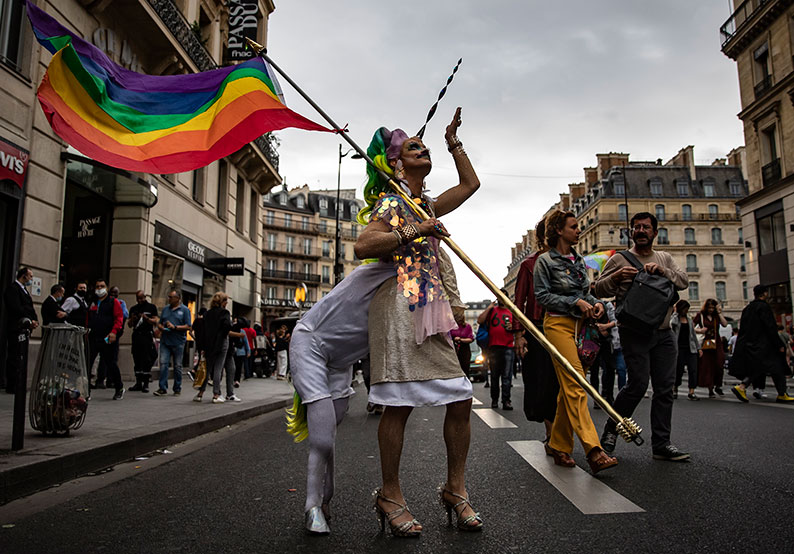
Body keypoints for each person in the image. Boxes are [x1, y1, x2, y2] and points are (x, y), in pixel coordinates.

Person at [354, 109, 483, 536]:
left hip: (428, 303)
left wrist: (453, 142)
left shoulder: (422, 202)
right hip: (397, 307)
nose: (422, 149)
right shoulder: (393, 202)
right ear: (396, 163)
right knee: (398, 402)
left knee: (460, 395)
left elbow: (470, 185)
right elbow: (364, 245)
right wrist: (412, 230)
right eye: (414, 147)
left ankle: (455, 488)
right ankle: (390, 493)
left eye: (426, 147)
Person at [595, 212, 690, 462]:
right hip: (634, 332)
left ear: (655, 232)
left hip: (663, 332)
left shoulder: (665, 258)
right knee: (637, 385)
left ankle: (661, 444)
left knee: (664, 389)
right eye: (636, 227)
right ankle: (611, 429)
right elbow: (597, 288)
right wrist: (615, 277)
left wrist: (663, 271)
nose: (641, 230)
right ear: (631, 232)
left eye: (646, 227)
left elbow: (683, 282)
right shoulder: (619, 259)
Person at [533, 210, 617, 474]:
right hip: (556, 324)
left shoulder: (579, 260)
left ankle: (558, 444)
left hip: (581, 326)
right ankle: (593, 449)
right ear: (559, 230)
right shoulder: (544, 261)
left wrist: (597, 305)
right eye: (574, 226)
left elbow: (586, 294)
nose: (579, 230)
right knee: (578, 382)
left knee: (567, 389)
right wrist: (574, 302)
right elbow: (542, 296)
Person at [514, 219, 559, 448]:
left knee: (564, 384)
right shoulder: (529, 265)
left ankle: (562, 435)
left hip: (565, 326)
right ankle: (552, 435)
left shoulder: (570, 263)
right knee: (544, 382)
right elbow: (518, 302)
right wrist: (519, 334)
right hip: (538, 328)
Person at [730, 285, 794, 403]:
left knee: (765, 368)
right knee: (774, 367)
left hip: (751, 344)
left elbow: (743, 328)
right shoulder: (764, 307)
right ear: (764, 293)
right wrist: (778, 343)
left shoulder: (748, 308)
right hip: (765, 345)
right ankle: (743, 386)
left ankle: (781, 393)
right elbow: (770, 327)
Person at [194, 292, 240, 403]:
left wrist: (203, 346)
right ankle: (216, 394)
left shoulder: (207, 314)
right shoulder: (224, 313)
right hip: (221, 342)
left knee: (208, 368)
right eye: (226, 302)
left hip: (209, 344)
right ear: (223, 302)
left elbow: (203, 330)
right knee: (218, 368)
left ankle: (200, 393)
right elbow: (226, 327)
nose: (227, 304)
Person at [477, 290, 516, 410]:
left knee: (506, 376)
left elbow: (521, 328)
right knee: (494, 376)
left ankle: (506, 400)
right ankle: (494, 400)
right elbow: (480, 320)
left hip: (508, 346)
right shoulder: (492, 311)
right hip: (493, 347)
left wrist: (513, 327)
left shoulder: (512, 311)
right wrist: (489, 308)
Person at [3, 267, 39, 394]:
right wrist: (28, 320)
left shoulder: (24, 290)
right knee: (15, 356)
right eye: (30, 276)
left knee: (21, 356)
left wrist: (34, 320)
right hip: (16, 327)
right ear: (23, 276)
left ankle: (18, 383)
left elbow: (30, 307)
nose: (31, 279)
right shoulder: (13, 289)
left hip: (25, 328)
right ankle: (12, 384)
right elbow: (16, 308)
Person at [87, 279, 124, 399]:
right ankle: (85, 391)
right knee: (88, 363)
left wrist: (114, 332)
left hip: (107, 337)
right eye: (97, 286)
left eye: (102, 286)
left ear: (106, 288)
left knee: (110, 363)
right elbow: (88, 318)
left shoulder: (113, 302)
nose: (99, 288)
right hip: (93, 337)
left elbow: (119, 318)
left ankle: (119, 387)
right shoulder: (93, 302)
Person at [154, 290, 191, 397]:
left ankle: (177, 387)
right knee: (164, 364)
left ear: (178, 298)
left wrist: (175, 327)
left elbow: (188, 326)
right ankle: (162, 387)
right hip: (165, 340)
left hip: (178, 341)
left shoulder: (184, 310)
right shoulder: (166, 309)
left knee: (177, 366)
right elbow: (160, 322)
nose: (169, 299)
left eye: (171, 297)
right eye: (168, 297)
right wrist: (160, 327)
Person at [694, 298, 727, 398]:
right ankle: (710, 388)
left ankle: (718, 385)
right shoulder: (700, 315)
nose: (711, 310)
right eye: (710, 308)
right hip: (705, 343)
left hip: (716, 343)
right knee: (708, 366)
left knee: (719, 364)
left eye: (713, 308)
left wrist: (720, 312)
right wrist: (699, 331)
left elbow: (725, 324)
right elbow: (691, 327)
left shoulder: (716, 316)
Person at [127, 291, 158, 393]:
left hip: (147, 335)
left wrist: (146, 318)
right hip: (137, 336)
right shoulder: (133, 309)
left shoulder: (151, 307)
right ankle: (138, 382)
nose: (140, 300)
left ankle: (146, 383)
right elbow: (129, 325)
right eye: (138, 298)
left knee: (146, 359)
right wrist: (132, 319)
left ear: (145, 297)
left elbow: (155, 321)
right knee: (137, 359)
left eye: (142, 298)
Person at [670, 300, 701, 401]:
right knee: (678, 370)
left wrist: (698, 348)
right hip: (678, 348)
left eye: (687, 309)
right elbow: (671, 324)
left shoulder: (689, 320)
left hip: (690, 348)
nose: (685, 311)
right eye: (684, 309)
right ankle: (675, 388)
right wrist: (675, 312)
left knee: (693, 370)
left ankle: (691, 391)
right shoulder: (675, 319)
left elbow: (693, 335)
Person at [450, 313, 474, 378]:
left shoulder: (467, 326)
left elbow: (471, 339)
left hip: (464, 349)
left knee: (465, 368)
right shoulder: (451, 326)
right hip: (454, 348)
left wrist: (460, 339)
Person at [189, 307, 207, 381]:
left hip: (198, 342)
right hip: (204, 342)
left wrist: (195, 338)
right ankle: (194, 370)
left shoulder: (196, 320)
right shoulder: (205, 321)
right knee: (203, 357)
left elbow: (190, 332)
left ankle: (196, 371)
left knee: (201, 356)